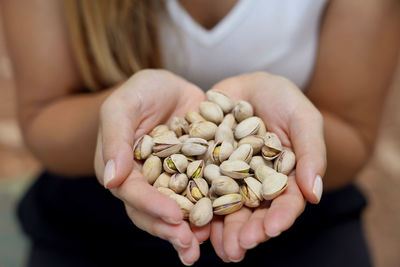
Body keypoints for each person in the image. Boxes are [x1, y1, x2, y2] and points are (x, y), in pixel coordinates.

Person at [2, 0, 399, 266]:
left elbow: (352, 134)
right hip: (95, 208)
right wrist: (117, 127)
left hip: (291, 214)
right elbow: (42, 118)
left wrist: (300, 132)